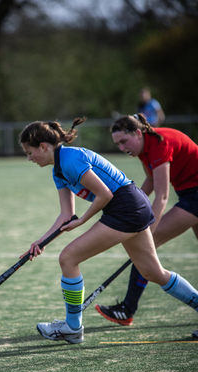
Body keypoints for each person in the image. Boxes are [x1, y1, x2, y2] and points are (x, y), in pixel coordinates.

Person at [19, 117, 198, 344]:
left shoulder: (71, 159)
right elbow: (65, 215)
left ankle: (72, 328)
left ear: (43, 146)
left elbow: (105, 195)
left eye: (29, 152)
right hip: (132, 206)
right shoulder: (59, 171)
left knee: (68, 258)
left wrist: (83, 220)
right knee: (154, 272)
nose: (29, 158)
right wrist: (40, 242)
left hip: (125, 207)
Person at [95, 113, 198, 339]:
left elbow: (161, 197)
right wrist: (134, 202)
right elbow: (150, 181)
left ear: (138, 133)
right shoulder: (144, 148)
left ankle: (128, 308)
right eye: (117, 144)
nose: (122, 147)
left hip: (195, 195)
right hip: (189, 193)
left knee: (144, 247)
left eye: (124, 141)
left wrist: (147, 229)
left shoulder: (160, 145)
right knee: (144, 248)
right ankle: (128, 309)